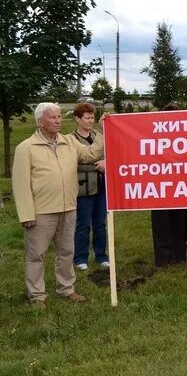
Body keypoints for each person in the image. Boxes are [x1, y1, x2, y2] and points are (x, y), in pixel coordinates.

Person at [13, 103, 105, 309]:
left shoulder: (69, 142)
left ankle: (66, 289)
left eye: (59, 117)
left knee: (66, 252)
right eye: (52, 117)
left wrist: (103, 132)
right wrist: (26, 214)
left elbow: (91, 154)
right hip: (41, 211)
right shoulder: (26, 148)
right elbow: (20, 185)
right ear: (40, 121)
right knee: (36, 255)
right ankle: (36, 295)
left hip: (68, 207)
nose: (58, 121)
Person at [70, 102, 109, 271]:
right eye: (87, 118)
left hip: (101, 186)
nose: (90, 121)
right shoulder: (70, 139)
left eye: (92, 117)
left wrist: (106, 162)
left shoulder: (97, 135)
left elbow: (109, 153)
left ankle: (101, 256)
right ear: (78, 119)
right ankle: (80, 258)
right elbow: (80, 160)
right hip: (83, 187)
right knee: (83, 223)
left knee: (100, 223)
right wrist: (96, 164)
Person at [150, 102, 187, 268]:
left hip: (181, 186)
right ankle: (163, 257)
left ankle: (179, 254)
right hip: (160, 187)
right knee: (161, 223)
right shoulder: (154, 135)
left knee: (180, 221)